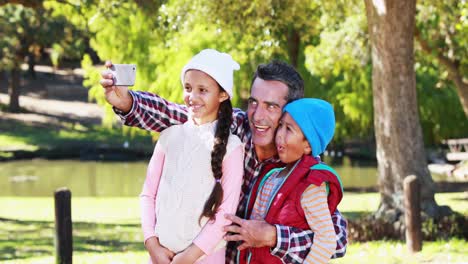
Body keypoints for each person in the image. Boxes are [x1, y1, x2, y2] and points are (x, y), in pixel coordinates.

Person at [100, 59, 348, 263]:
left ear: (291, 112)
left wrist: (274, 236)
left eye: (271, 106)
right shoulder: (234, 127)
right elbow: (174, 114)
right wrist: (128, 102)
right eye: (253, 102)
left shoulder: (302, 168)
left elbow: (337, 239)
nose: (258, 116)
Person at [139, 49, 244, 263]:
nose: (192, 97)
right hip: (160, 257)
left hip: (205, 258)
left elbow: (225, 212)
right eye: (188, 88)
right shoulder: (169, 137)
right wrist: (152, 244)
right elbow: (148, 194)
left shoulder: (232, 148)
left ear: (222, 95)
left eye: (202, 90)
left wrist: (188, 257)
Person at [238, 98, 343, 264]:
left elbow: (327, 240)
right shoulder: (273, 174)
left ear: (308, 145)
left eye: (289, 129)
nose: (279, 134)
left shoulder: (311, 186)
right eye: (281, 125)